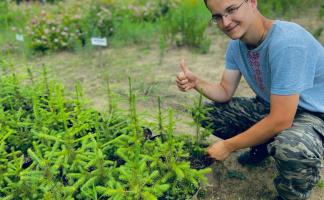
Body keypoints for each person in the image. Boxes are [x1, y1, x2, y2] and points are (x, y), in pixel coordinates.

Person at [176, 0, 324, 199]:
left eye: (231, 10)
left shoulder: (287, 42)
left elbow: (282, 119)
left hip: (315, 114)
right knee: (210, 113)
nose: (226, 22)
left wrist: (229, 146)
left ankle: (293, 192)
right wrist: (197, 83)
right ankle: (263, 145)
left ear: (252, 2)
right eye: (218, 16)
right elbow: (224, 91)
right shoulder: (237, 46)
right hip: (275, 106)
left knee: (291, 147)